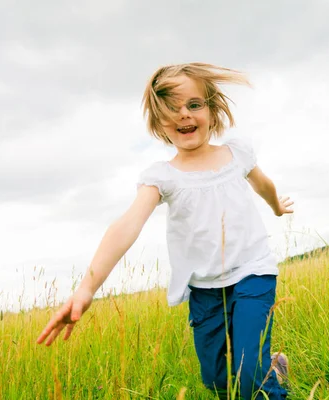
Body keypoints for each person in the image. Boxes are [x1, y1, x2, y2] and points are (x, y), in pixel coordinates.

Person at [36, 63, 293, 399]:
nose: (183, 115)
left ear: (213, 111)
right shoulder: (163, 176)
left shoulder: (237, 153)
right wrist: (86, 288)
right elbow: (127, 225)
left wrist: (276, 207)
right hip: (205, 288)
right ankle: (275, 367)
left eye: (194, 105)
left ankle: (264, 378)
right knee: (216, 378)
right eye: (170, 109)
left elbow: (264, 184)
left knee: (248, 373)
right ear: (159, 123)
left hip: (253, 273)